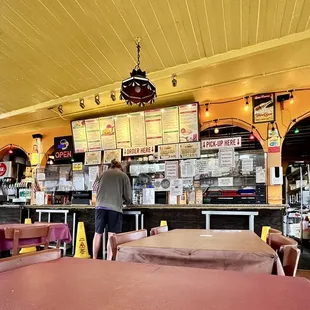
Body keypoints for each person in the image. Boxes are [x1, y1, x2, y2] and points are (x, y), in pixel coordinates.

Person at [92, 159, 132, 259]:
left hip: (100, 207)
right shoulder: (123, 176)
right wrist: (127, 202)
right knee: (111, 235)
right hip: (114, 208)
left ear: (111, 166)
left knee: (98, 233)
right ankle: (108, 260)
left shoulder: (102, 174)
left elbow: (94, 188)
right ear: (120, 168)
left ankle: (94, 258)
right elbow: (128, 197)